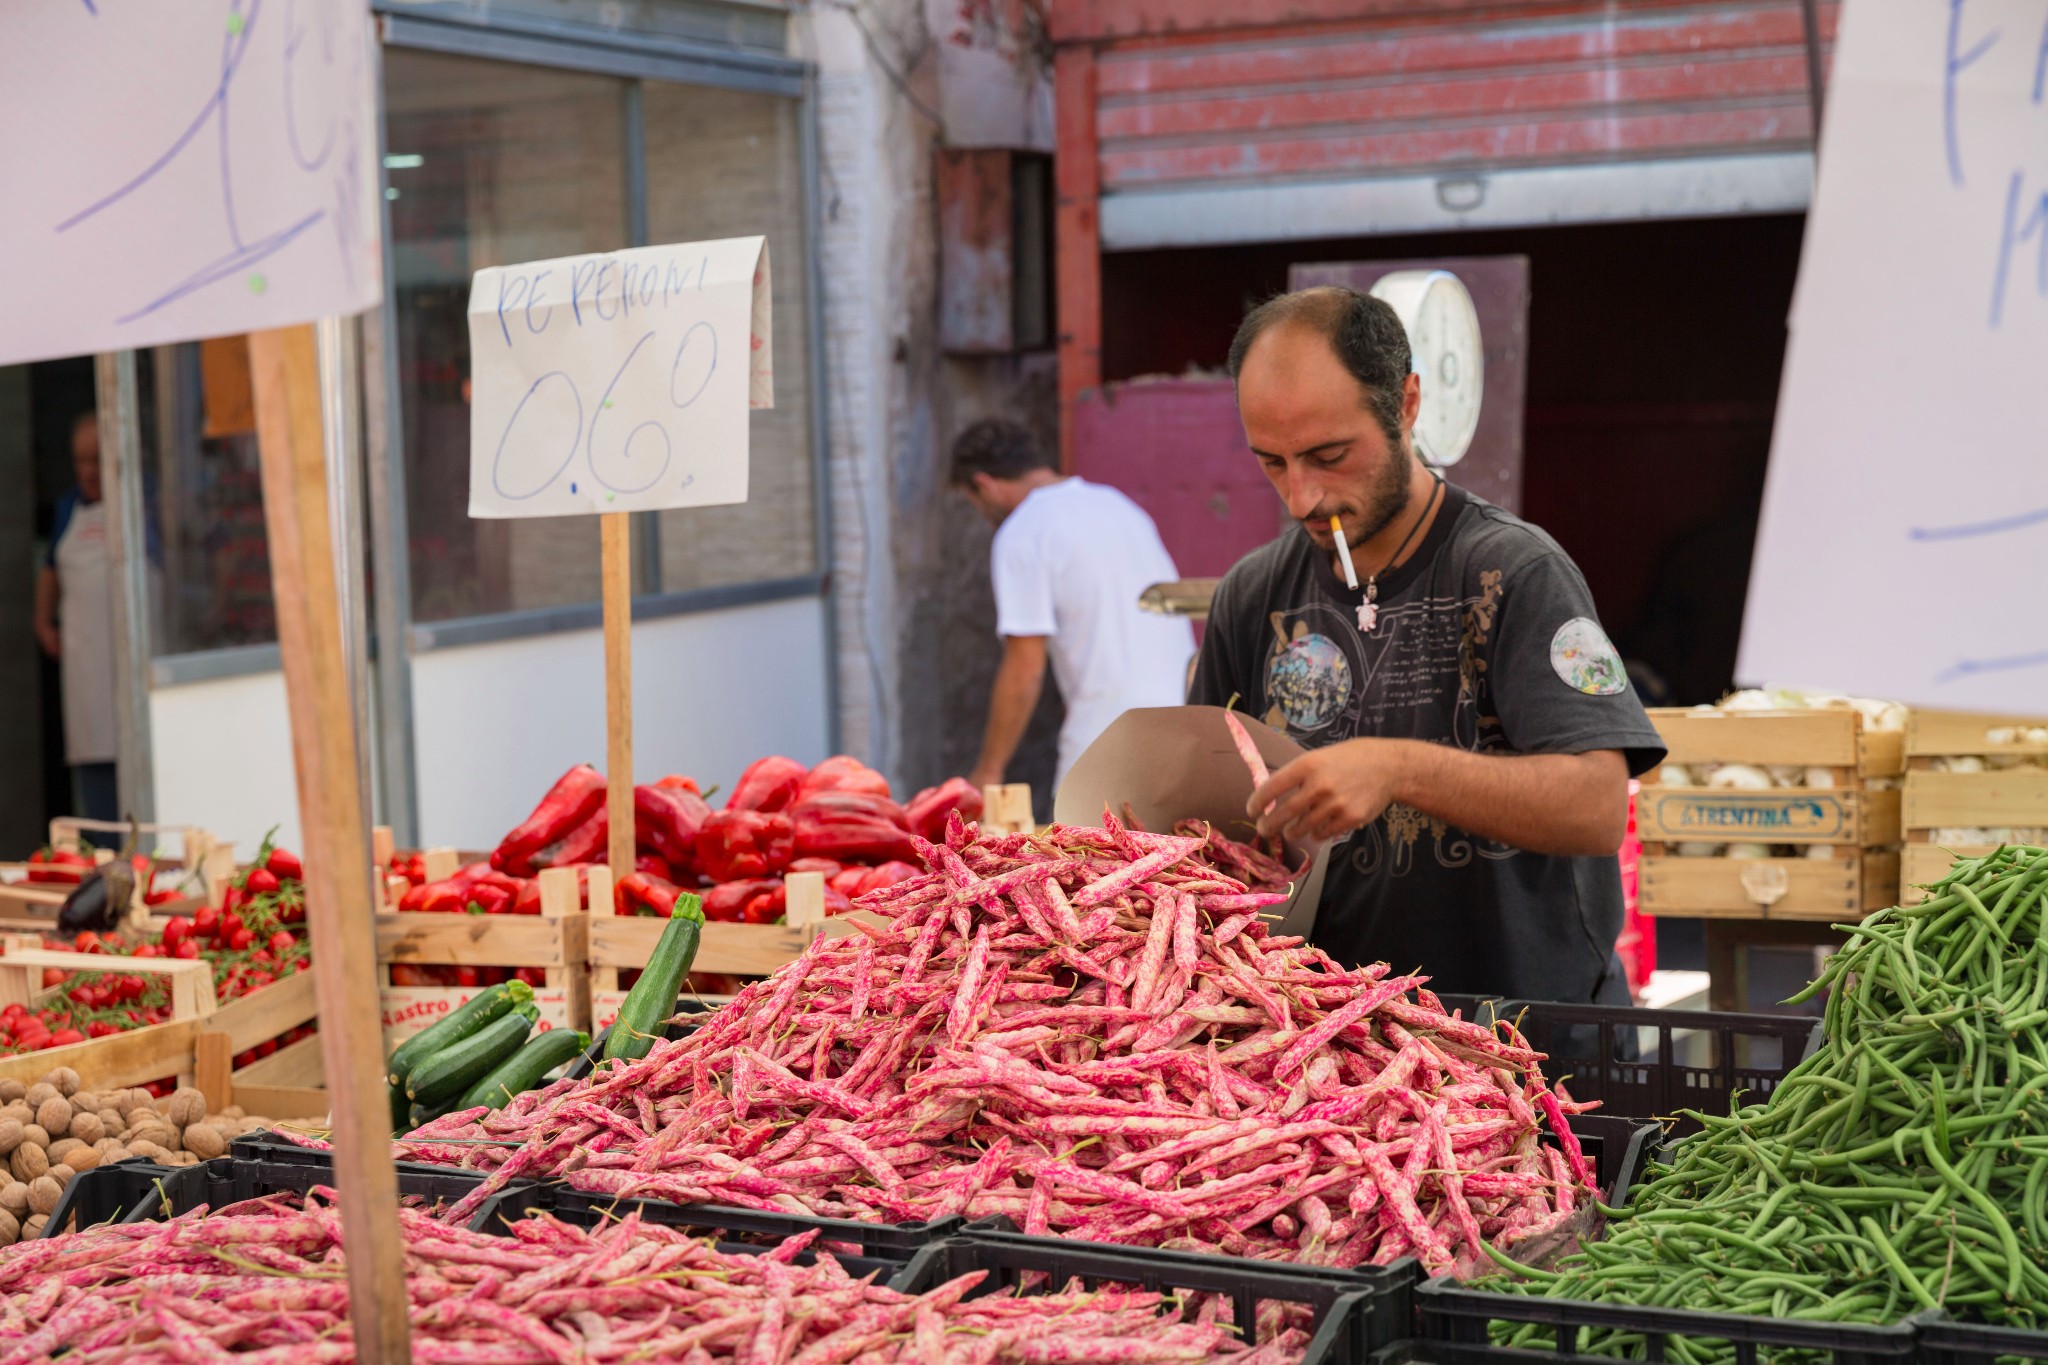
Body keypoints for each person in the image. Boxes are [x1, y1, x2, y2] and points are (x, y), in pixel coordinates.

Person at [1188, 288, 1666, 1004]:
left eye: (1329, 455)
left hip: (1524, 1051)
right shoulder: (1252, 597)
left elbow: (1598, 805)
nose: (1302, 497)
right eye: (1273, 463)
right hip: (1330, 1060)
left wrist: (1397, 769)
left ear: (1406, 403)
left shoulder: (1514, 573)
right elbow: (1203, 828)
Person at [951, 419, 1195, 795]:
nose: (983, 515)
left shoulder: (1023, 533)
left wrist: (989, 770)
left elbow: (1024, 668)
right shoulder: (1118, 505)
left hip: (1107, 747)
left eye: (976, 504)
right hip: (1188, 729)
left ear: (984, 484)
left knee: (1086, 854)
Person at [34, 412, 120, 823]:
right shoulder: (68, 508)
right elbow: (50, 568)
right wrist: (43, 621)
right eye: (81, 461)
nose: (88, 471)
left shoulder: (141, 499)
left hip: (131, 676)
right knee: (99, 803)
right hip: (86, 676)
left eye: (97, 460)